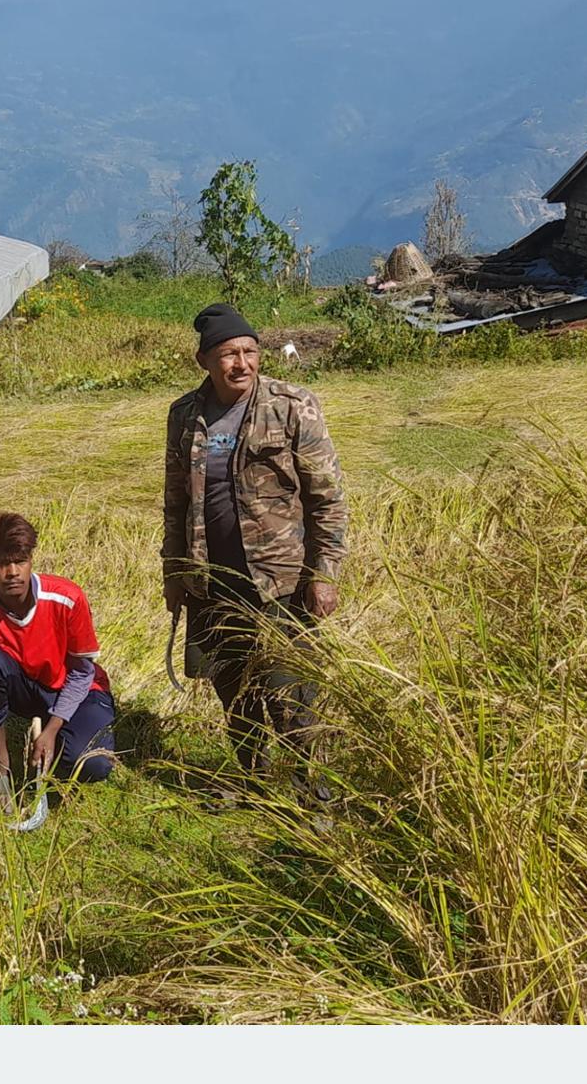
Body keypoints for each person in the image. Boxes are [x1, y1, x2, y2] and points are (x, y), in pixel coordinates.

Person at [160, 302, 349, 809]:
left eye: (249, 351)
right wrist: (174, 570)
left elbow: (327, 497)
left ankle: (313, 793)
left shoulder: (292, 406)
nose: (241, 363)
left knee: (291, 690)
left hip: (280, 580)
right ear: (204, 360)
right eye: (228, 354)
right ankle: (256, 782)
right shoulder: (185, 415)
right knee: (233, 686)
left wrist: (324, 572)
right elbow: (175, 499)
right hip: (212, 580)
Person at [0, 510, 118, 793]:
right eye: (2, 564)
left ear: (31, 561)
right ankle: (4, 769)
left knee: (94, 763)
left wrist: (52, 730)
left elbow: (82, 673)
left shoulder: (66, 598)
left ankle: (59, 739)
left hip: (79, 689)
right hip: (27, 689)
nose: (12, 573)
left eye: (20, 562)